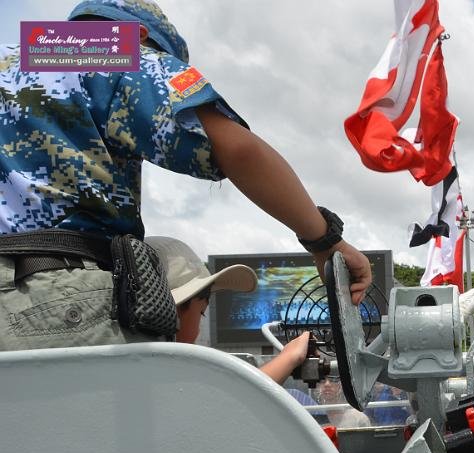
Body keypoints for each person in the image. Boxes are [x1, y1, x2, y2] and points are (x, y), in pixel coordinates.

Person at [0, 0, 371, 351]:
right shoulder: (97, 49)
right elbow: (237, 149)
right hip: (54, 300)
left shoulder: (8, 57)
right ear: (139, 36)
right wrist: (326, 241)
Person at [148, 236, 311, 385]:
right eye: (201, 313)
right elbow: (234, 401)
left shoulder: (144, 372)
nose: (198, 331)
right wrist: (290, 356)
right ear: (169, 313)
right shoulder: (173, 378)